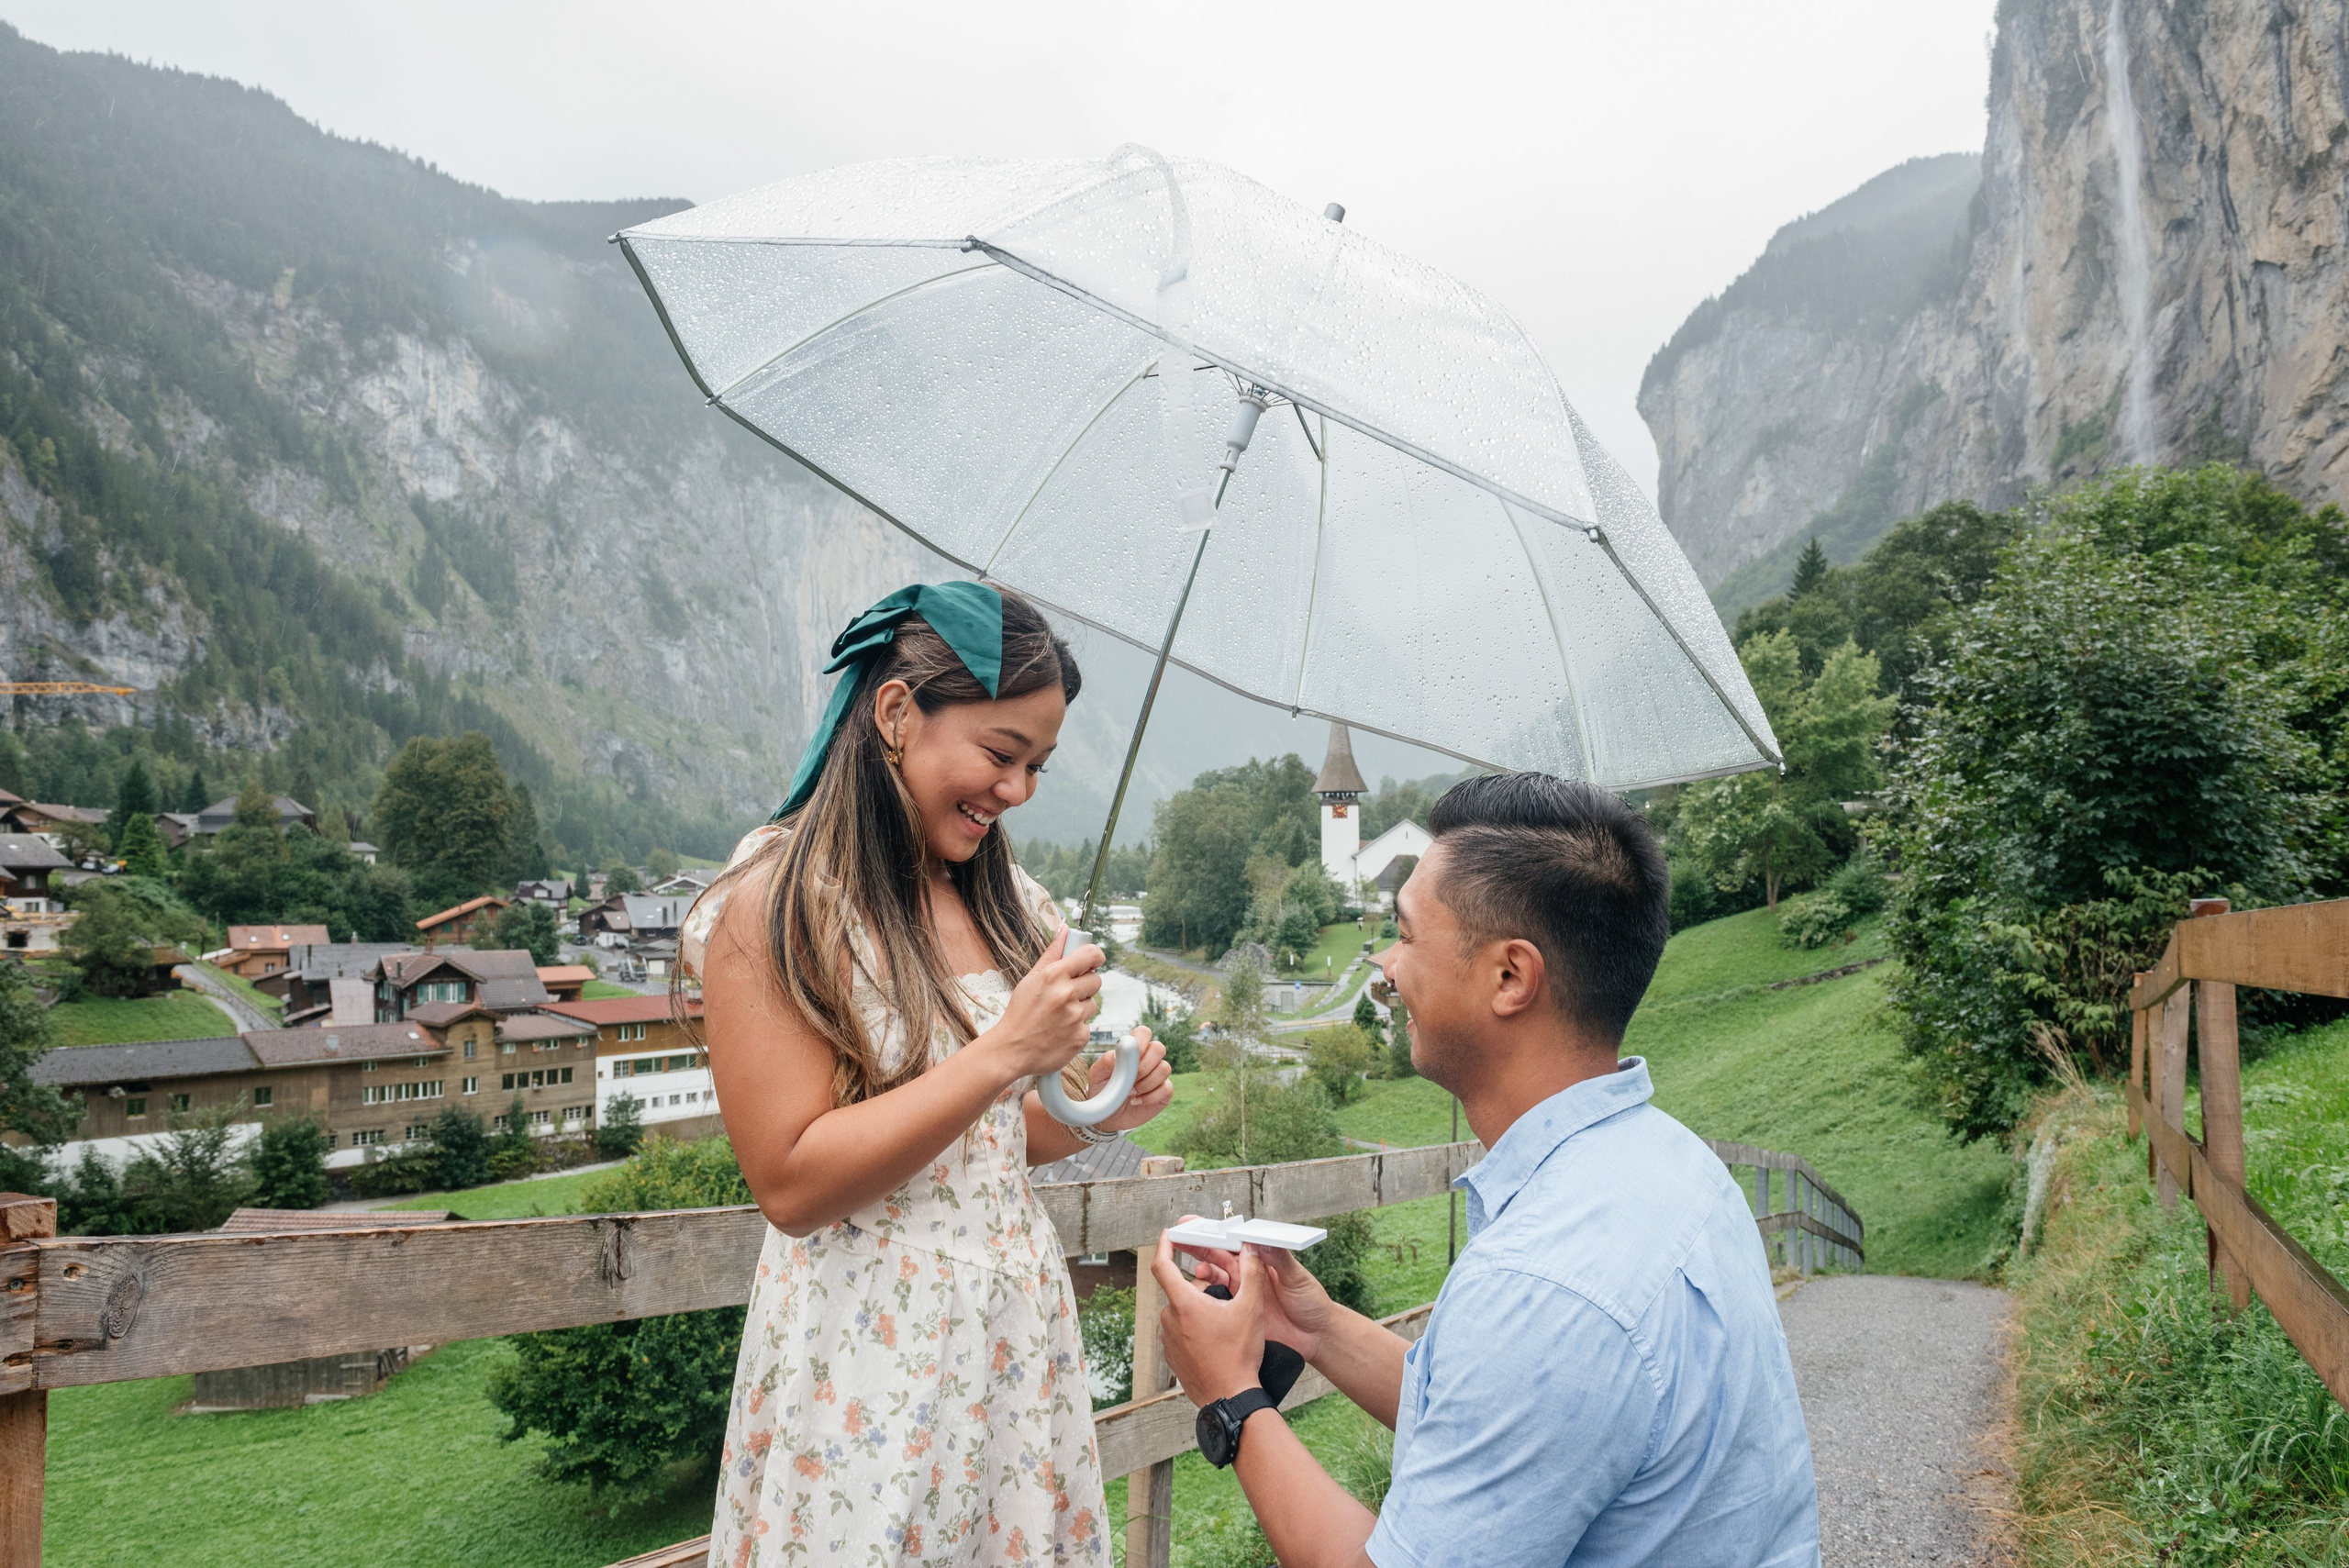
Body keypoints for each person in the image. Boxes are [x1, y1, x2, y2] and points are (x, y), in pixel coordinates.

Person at [1152, 773, 1820, 1567]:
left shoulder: (1547, 1281)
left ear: (1510, 976)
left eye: (1405, 935)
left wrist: (1232, 1398)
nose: (1387, 970)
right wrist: (1313, 1326)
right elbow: (1497, 1419)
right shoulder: (1671, 1165)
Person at [684, 582, 1174, 1568]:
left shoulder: (1004, 901)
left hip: (1009, 1333)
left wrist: (1097, 1109)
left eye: (1036, 763)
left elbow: (985, 1144)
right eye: (1000, 753)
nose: (1019, 789)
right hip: (867, 1351)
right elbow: (792, 1181)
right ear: (897, 712)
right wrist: (1005, 1051)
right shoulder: (775, 904)